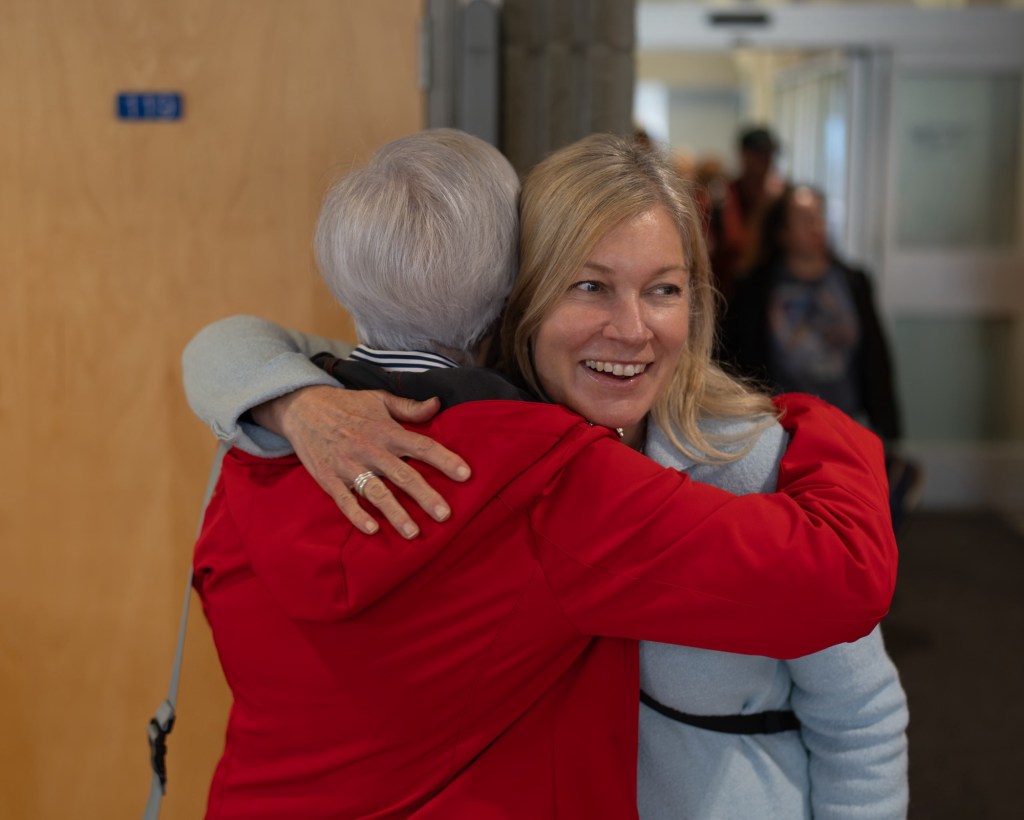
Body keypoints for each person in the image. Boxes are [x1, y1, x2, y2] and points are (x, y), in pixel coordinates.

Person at [187, 129, 897, 818]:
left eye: (664, 289)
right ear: (517, 289)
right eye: (589, 285)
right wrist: (822, 424)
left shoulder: (252, 450)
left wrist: (287, 399)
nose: (630, 328)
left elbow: (859, 714)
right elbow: (843, 575)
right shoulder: (541, 477)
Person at [719, 183, 921, 529]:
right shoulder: (755, 287)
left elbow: (875, 357)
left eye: (820, 216)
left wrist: (888, 426)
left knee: (857, 523)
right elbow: (734, 359)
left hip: (847, 424)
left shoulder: (852, 281)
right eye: (804, 219)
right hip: (782, 428)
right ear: (782, 232)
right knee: (795, 526)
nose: (816, 225)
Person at [707, 125, 785, 304]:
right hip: (731, 298)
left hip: (771, 297)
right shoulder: (724, 197)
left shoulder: (780, 199)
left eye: (770, 155)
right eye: (760, 154)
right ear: (743, 155)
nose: (766, 161)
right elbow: (741, 259)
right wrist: (762, 208)